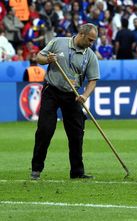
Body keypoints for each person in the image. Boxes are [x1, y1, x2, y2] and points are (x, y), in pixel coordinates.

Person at [30, 23, 100, 180]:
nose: (91, 43)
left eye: (93, 41)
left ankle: (77, 172)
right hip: (52, 91)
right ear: (81, 34)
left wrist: (85, 96)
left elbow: (93, 80)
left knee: (76, 133)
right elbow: (39, 57)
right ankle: (36, 169)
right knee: (45, 130)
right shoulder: (58, 42)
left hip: (72, 95)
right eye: (90, 40)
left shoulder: (90, 55)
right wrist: (47, 59)